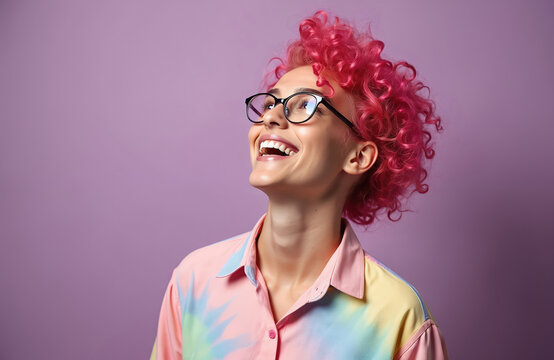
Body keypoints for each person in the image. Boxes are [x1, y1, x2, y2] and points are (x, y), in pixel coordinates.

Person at [151, 11, 448, 360]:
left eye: (305, 105)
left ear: (358, 156)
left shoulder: (401, 320)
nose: (272, 117)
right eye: (270, 103)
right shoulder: (193, 282)